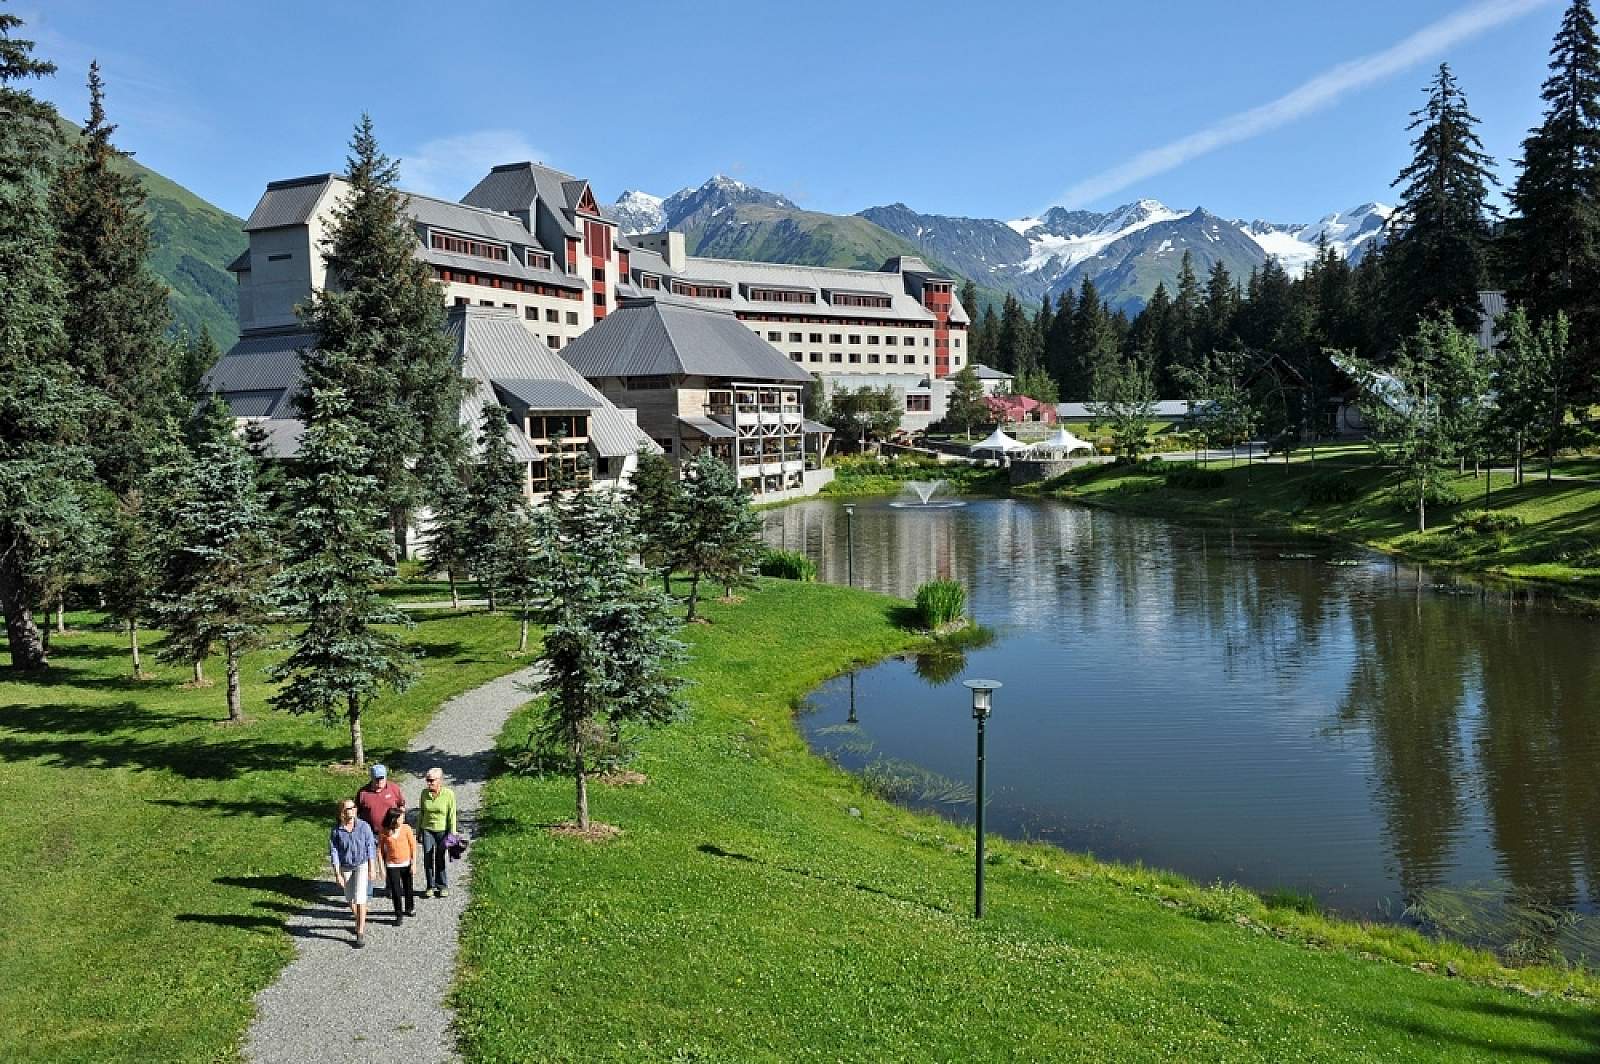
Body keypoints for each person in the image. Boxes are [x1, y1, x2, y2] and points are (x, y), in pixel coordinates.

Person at [329, 799, 380, 947]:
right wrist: (337, 873)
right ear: (342, 812)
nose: (352, 810)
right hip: (346, 867)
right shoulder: (336, 831)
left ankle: (360, 932)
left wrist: (372, 867)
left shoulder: (364, 827)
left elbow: (370, 847)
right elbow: (334, 852)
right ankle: (360, 917)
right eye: (348, 808)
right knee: (350, 898)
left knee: (360, 897)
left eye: (353, 807)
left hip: (361, 864)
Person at [354, 764, 404, 897]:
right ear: (371, 778)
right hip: (370, 833)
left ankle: (391, 888)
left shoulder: (393, 789)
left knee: (391, 860)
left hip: (389, 832)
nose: (379, 782)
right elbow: (356, 812)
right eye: (377, 779)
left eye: (382, 778)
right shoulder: (363, 793)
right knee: (367, 861)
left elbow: (401, 805)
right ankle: (367, 892)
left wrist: (400, 824)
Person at [417, 767, 457, 899]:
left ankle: (442, 885)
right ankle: (429, 886)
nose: (429, 783)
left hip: (442, 831)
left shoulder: (448, 794)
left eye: (431, 780)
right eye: (427, 780)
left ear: (440, 780)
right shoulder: (424, 794)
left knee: (440, 858)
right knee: (428, 858)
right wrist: (418, 831)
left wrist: (452, 833)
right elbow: (421, 813)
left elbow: (452, 815)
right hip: (427, 829)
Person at [379, 806, 419, 924]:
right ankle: (398, 914)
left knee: (408, 888)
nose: (403, 819)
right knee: (396, 891)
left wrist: (414, 864)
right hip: (392, 865)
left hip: (406, 863)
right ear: (393, 819)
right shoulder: (384, 831)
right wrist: (381, 867)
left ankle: (409, 908)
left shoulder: (406, 828)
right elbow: (379, 850)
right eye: (401, 817)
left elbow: (413, 847)